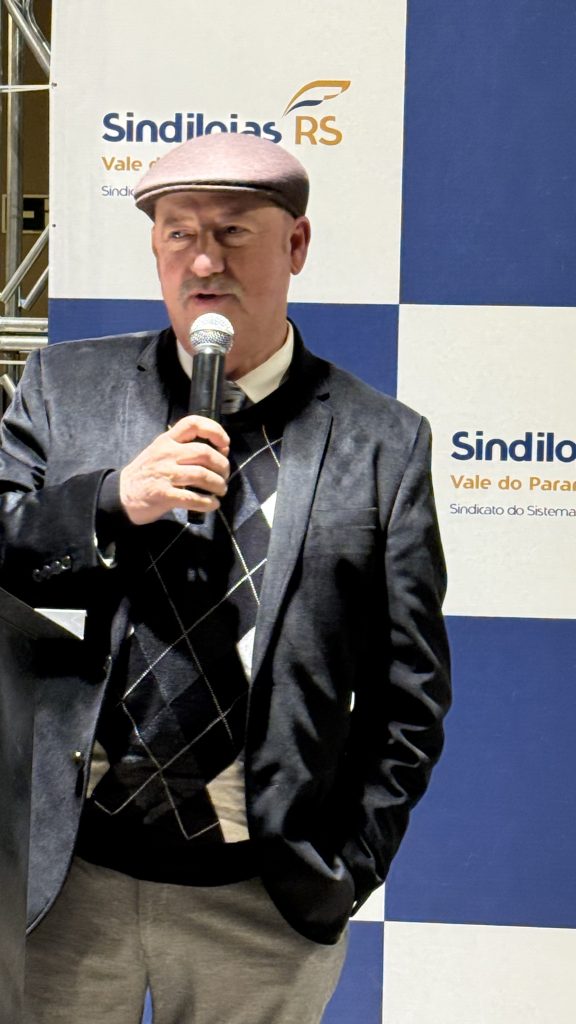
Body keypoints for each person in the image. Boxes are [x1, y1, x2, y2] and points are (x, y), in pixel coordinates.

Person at [0, 133, 451, 1024]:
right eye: (179, 233)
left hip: (258, 909)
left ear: (296, 244)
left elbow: (409, 694)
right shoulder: (64, 387)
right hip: (65, 885)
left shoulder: (382, 443)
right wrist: (111, 501)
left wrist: (344, 870)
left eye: (234, 232)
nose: (204, 261)